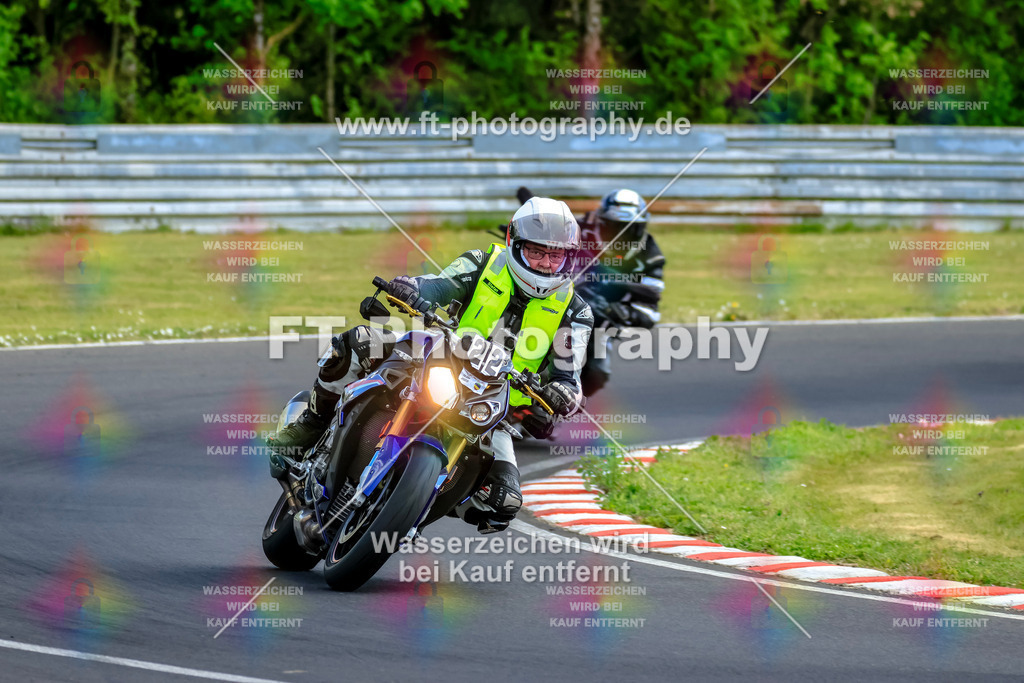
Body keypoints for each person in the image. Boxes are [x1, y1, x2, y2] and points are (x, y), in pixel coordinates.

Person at [267, 197, 593, 530]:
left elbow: (569, 375)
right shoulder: (483, 262)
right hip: (437, 359)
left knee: (503, 502)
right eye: (536, 252)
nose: (544, 264)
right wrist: (411, 287)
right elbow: (440, 284)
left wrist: (564, 394)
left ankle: (410, 510)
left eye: (555, 255)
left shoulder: (576, 311)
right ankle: (311, 422)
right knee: (356, 343)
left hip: (493, 410)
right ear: (514, 242)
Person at [517, 187, 665, 398]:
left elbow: (651, 312)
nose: (622, 234)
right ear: (601, 223)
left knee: (597, 373)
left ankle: (557, 412)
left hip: (601, 322)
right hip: (552, 297)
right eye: (615, 227)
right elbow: (549, 229)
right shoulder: (579, 230)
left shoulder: (651, 256)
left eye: (631, 227)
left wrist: (620, 312)